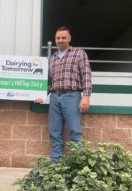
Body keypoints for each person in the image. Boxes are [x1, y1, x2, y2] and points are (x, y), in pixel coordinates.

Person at [36, 26, 92, 162]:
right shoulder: (52, 58)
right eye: (58, 38)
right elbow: (49, 82)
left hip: (72, 96)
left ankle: (77, 167)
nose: (60, 40)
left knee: (74, 132)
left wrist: (86, 96)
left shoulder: (79, 54)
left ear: (69, 39)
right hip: (54, 97)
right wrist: (42, 95)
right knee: (54, 133)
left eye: (63, 38)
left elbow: (86, 75)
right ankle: (56, 167)